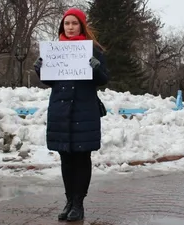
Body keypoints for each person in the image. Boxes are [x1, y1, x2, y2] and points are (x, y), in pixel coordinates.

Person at [33, 8, 108, 222]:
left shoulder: (93, 50)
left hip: (84, 110)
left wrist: (95, 67)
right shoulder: (55, 50)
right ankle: (68, 201)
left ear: (82, 26)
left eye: (74, 23)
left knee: (82, 157)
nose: (70, 27)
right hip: (61, 110)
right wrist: (41, 69)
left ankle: (79, 203)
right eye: (67, 24)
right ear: (62, 26)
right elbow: (52, 81)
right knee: (66, 157)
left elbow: (103, 79)